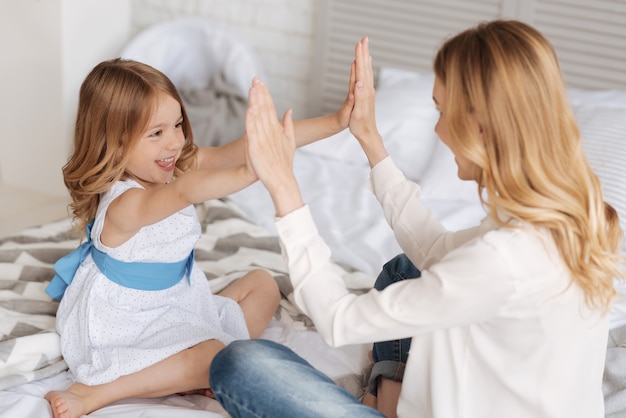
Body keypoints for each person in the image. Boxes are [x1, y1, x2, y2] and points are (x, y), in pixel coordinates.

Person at [209, 20, 625, 418]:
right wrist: (370, 140)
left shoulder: (504, 258)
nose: (439, 131)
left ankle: (382, 403)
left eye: (442, 112)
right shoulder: (571, 217)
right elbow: (438, 251)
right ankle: (387, 396)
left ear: (480, 125)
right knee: (407, 270)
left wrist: (284, 188)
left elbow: (339, 321)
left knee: (239, 364)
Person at [43, 58, 356, 418]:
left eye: (177, 124)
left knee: (263, 285)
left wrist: (336, 122)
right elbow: (185, 192)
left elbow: (231, 152)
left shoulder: (169, 167)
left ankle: (197, 373)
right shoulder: (124, 204)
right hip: (123, 321)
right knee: (217, 356)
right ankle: (96, 392)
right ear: (114, 143)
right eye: (156, 133)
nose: (175, 141)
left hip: (173, 301)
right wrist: (255, 171)